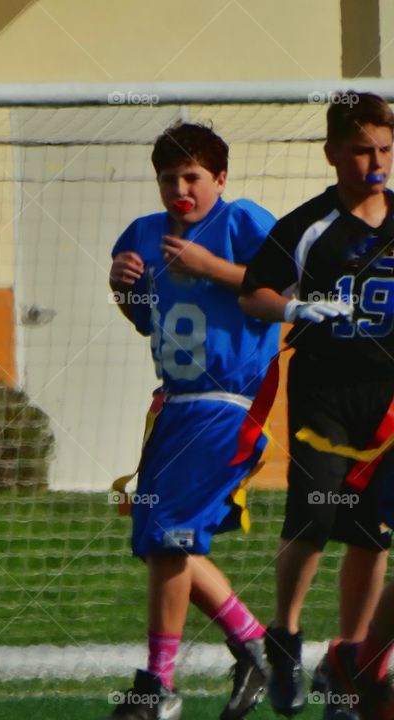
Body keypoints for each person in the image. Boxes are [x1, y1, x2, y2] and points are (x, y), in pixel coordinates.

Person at [107, 122, 279, 720]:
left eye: (193, 177)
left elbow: (282, 291)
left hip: (228, 403)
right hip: (174, 406)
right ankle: (254, 643)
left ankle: (159, 686)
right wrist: (123, 290)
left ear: (221, 179)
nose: (180, 188)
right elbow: (150, 320)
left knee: (171, 532)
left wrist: (212, 265)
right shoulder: (144, 236)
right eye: (168, 178)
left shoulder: (242, 223)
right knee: (162, 540)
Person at [239, 90, 394, 717]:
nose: (374, 162)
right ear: (332, 153)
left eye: (384, 148)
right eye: (361, 150)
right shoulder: (308, 226)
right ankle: (286, 633)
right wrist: (295, 307)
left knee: (373, 533)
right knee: (315, 519)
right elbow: (254, 294)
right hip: (324, 395)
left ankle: (351, 661)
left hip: (388, 403)